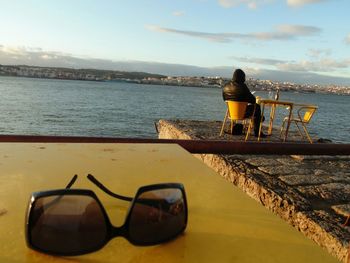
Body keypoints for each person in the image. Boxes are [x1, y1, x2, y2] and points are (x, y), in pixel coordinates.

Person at [222, 69, 266, 137]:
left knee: (255, 110)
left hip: (231, 112)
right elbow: (253, 100)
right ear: (242, 77)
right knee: (257, 107)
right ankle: (257, 132)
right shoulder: (243, 86)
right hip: (242, 113)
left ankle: (260, 119)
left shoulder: (226, 86)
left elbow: (224, 99)